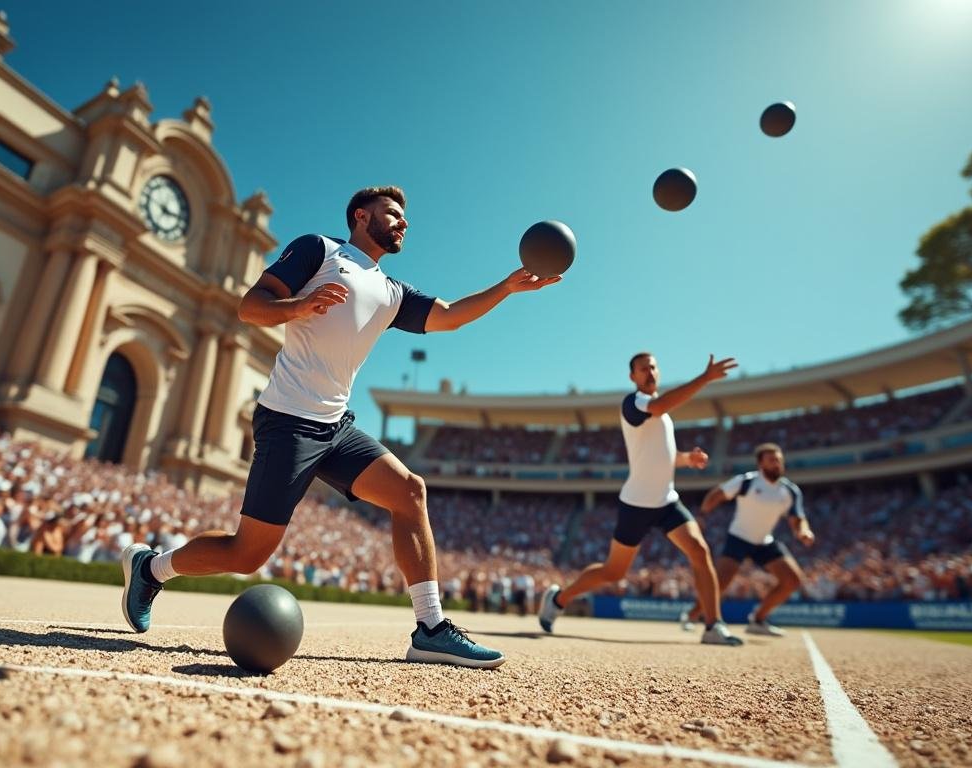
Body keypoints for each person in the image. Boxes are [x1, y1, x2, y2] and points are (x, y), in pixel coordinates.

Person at [119, 186, 559, 668]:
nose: (402, 222)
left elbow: (451, 317)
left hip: (335, 425)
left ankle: (431, 628)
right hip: (288, 420)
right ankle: (151, 568)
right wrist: (295, 308)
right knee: (247, 555)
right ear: (359, 216)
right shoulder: (320, 250)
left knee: (410, 492)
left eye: (404, 217)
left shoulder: (393, 293)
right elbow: (250, 306)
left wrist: (507, 287)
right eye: (392, 213)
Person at [538, 352, 744, 646]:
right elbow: (659, 406)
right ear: (632, 376)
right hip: (636, 503)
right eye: (643, 368)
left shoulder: (663, 417)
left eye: (654, 366)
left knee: (699, 550)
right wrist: (704, 378)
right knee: (614, 571)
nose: (650, 371)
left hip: (667, 501)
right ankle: (558, 599)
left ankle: (713, 624)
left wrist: (688, 458)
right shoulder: (633, 403)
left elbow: (665, 457)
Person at [683, 443, 814, 636]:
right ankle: (692, 615)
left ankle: (758, 619)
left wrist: (804, 531)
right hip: (738, 537)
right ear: (761, 464)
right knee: (719, 584)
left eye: (779, 460)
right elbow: (717, 494)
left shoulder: (790, 491)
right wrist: (702, 515)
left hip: (764, 542)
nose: (777, 464)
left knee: (792, 580)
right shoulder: (747, 481)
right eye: (771, 460)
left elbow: (797, 519)